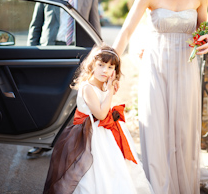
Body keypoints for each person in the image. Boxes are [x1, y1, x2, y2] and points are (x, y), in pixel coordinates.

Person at [112, 0, 208, 193]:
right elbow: (126, 31)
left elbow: (204, 30)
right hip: (155, 68)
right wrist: (111, 66)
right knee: (155, 128)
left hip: (186, 69)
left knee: (184, 131)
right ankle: (157, 189)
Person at [43, 44, 154, 194]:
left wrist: (108, 90)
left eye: (110, 67)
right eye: (101, 65)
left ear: (115, 71)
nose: (105, 70)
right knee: (92, 172)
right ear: (92, 65)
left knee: (115, 169)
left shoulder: (103, 85)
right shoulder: (87, 87)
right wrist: (109, 92)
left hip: (105, 133)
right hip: (89, 136)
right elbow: (101, 115)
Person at [27, 0, 101, 157]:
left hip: (79, 53)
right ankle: (40, 141)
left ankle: (70, 144)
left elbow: (94, 24)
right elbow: (36, 25)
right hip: (50, 52)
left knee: (75, 101)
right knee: (46, 99)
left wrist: (100, 56)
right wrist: (29, 56)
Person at [27, 0, 101, 46]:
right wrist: (30, 52)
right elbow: (36, 25)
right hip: (50, 46)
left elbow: (94, 24)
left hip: (78, 48)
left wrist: (99, 47)